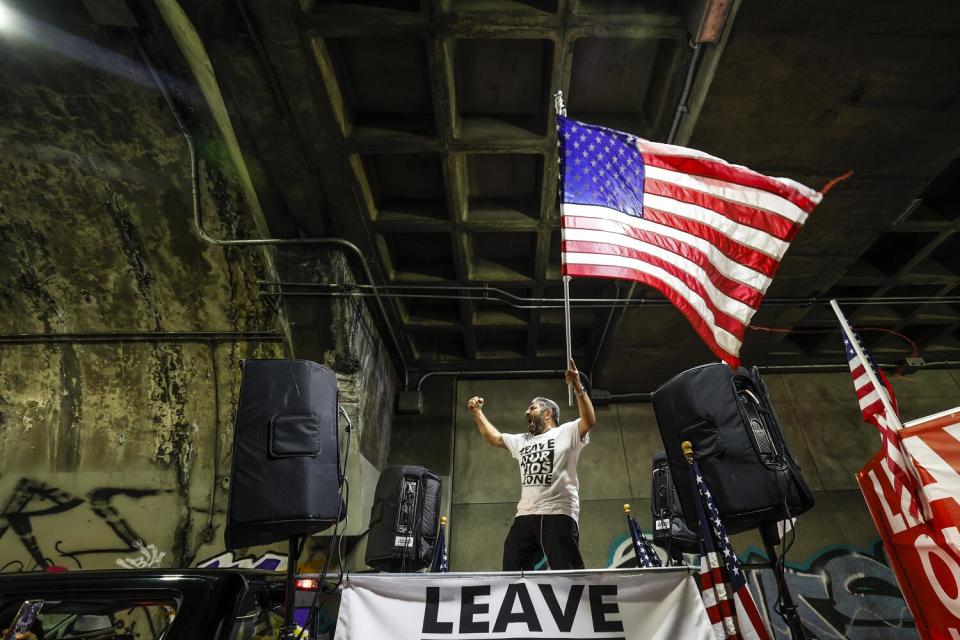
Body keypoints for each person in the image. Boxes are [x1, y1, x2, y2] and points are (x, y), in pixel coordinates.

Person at [467, 359, 596, 571]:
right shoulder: (522, 440)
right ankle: (518, 603)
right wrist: (477, 413)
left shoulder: (566, 432)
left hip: (559, 512)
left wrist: (578, 387)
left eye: (532, 408)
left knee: (567, 570)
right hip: (525, 515)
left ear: (548, 413)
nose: (527, 412)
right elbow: (496, 438)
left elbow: (589, 421)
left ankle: (577, 602)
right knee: (512, 564)